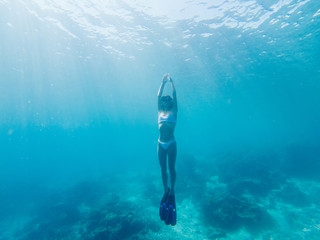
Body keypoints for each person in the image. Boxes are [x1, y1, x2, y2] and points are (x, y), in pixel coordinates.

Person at [157, 73, 177, 226]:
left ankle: (172, 190)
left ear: (169, 103)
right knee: (163, 169)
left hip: (171, 143)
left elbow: (175, 96)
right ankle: (165, 190)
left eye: (166, 100)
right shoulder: (159, 112)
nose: (163, 102)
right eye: (162, 101)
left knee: (171, 168)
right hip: (160, 143)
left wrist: (171, 82)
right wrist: (162, 83)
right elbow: (157, 96)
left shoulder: (174, 112)